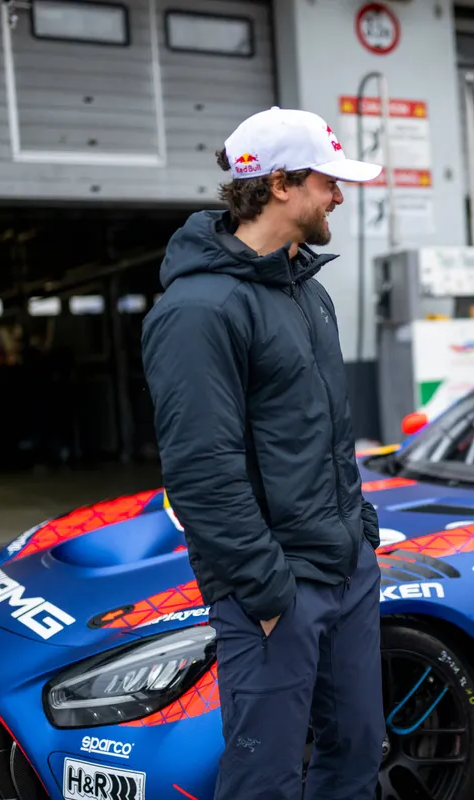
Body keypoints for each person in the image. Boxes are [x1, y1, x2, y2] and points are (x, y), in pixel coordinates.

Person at [141, 107, 385, 800]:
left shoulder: (309, 294)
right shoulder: (198, 310)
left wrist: (359, 541)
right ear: (281, 183)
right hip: (276, 591)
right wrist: (270, 591)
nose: (339, 195)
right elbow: (201, 472)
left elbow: (326, 438)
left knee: (357, 754)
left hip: (345, 571)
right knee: (265, 780)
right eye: (327, 181)